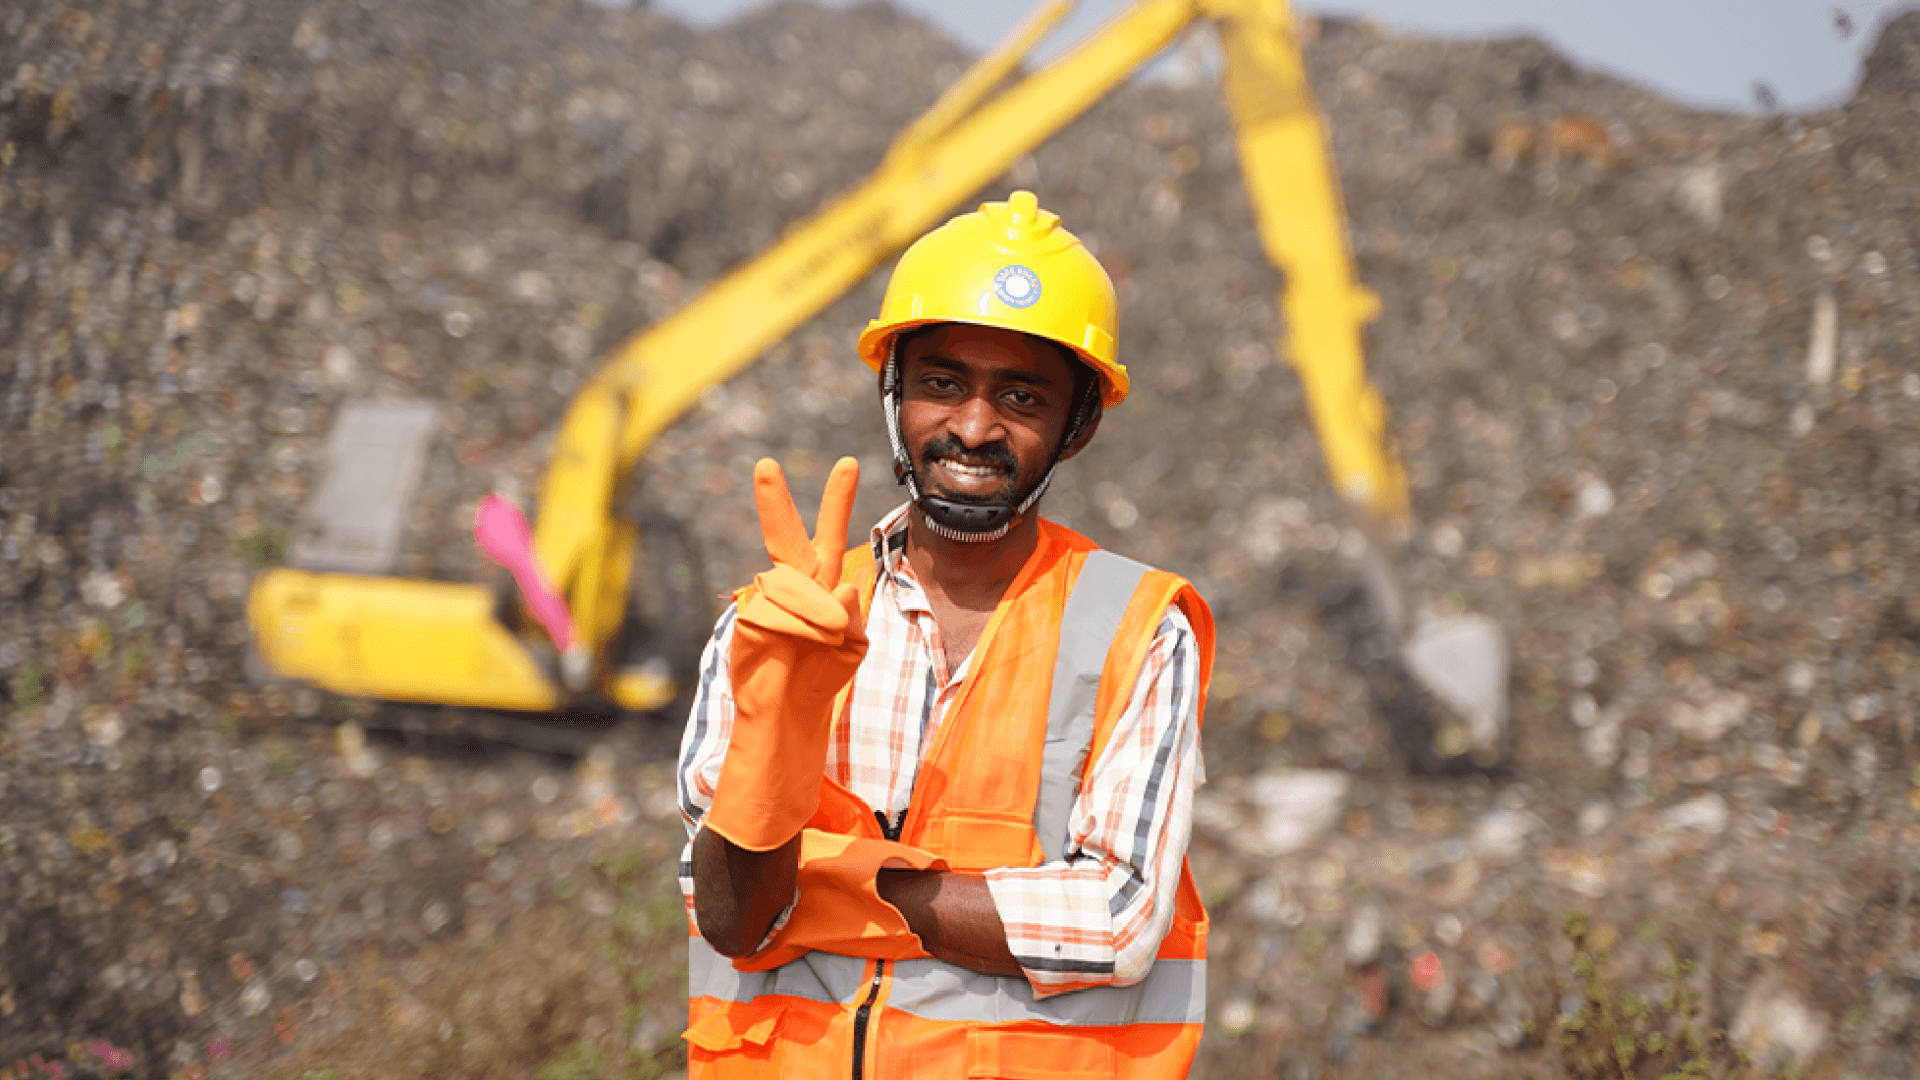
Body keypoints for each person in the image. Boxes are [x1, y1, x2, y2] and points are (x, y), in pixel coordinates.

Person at [676, 190, 1216, 1079]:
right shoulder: (777, 621)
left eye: (1021, 395)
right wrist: (777, 728)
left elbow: (1115, 921)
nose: (973, 426)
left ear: (1076, 425)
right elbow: (733, 921)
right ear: (894, 394)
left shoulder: (1140, 631)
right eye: (941, 383)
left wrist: (860, 884)